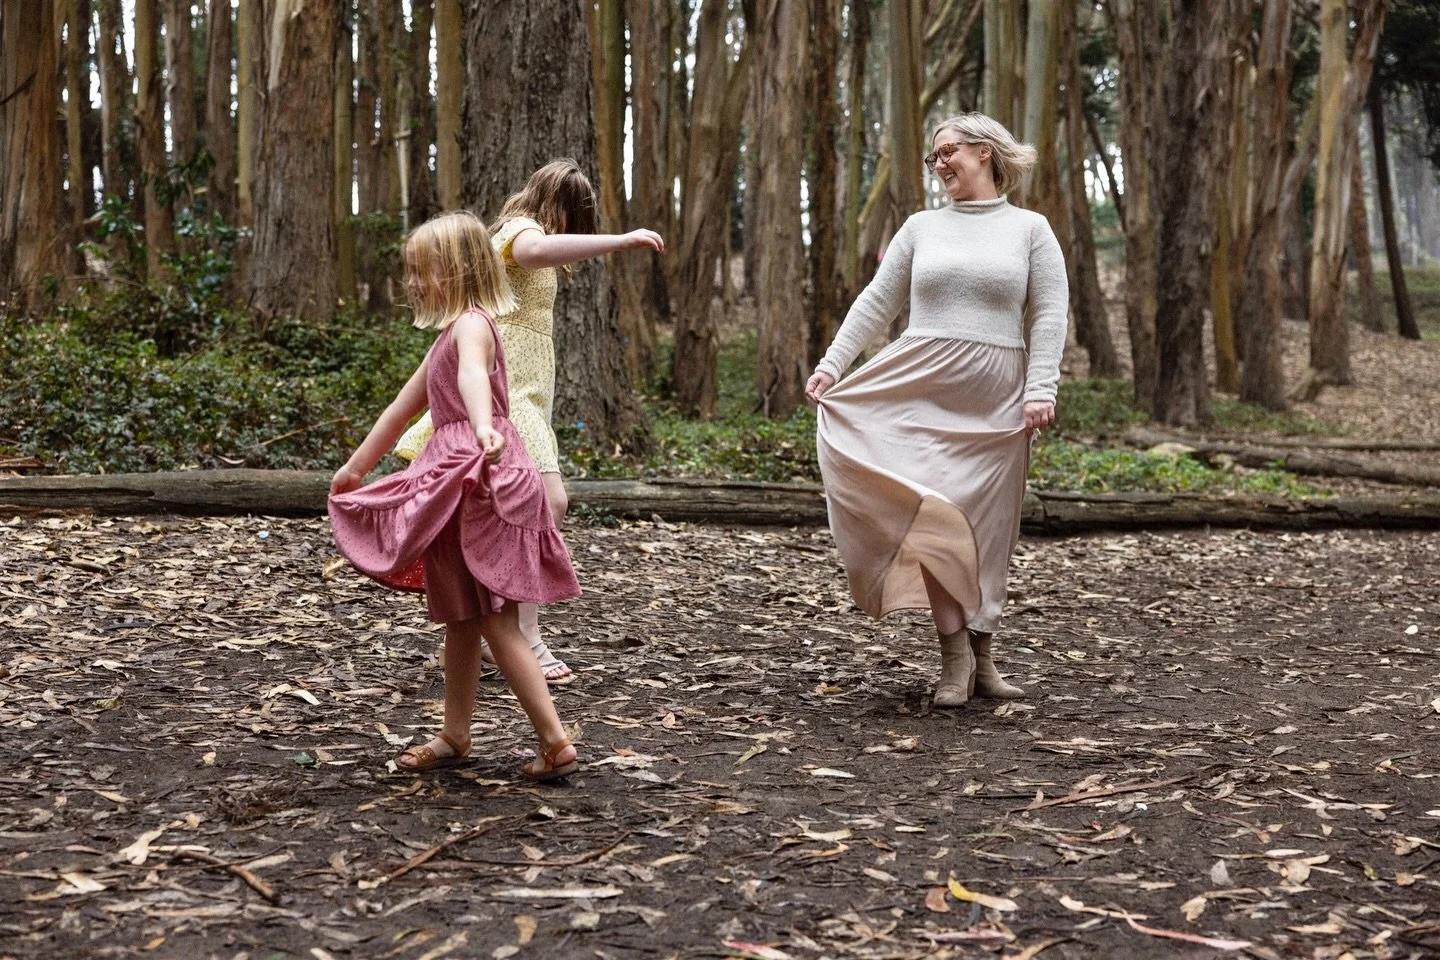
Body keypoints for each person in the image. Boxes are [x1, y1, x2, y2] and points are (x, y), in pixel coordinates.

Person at [805, 112, 1068, 708]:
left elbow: (1049, 314)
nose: (940, 163)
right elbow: (878, 301)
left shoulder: (1030, 229)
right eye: (934, 156)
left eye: (948, 151)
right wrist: (833, 364)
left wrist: (1041, 388)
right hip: (918, 391)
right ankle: (952, 657)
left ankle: (984, 658)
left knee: (987, 529)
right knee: (930, 518)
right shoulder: (922, 227)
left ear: (985, 153)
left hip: (996, 400)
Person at [330, 211, 582, 779]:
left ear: (462, 269)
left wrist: (482, 425)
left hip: (480, 477)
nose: (413, 283)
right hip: (455, 480)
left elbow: (473, 375)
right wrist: (354, 468)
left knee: (496, 618)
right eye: (412, 271)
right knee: (462, 616)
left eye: (425, 271)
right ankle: (455, 734)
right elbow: (400, 412)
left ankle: (554, 740)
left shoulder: (472, 324)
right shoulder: (447, 336)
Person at [396, 159, 664, 684]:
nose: (573, 231)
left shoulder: (528, 232)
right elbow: (534, 250)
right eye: (575, 217)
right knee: (547, 501)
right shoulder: (523, 229)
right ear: (558, 205)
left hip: (529, 389)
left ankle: (499, 627)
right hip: (507, 387)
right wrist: (621, 240)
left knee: (524, 506)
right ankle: (523, 636)